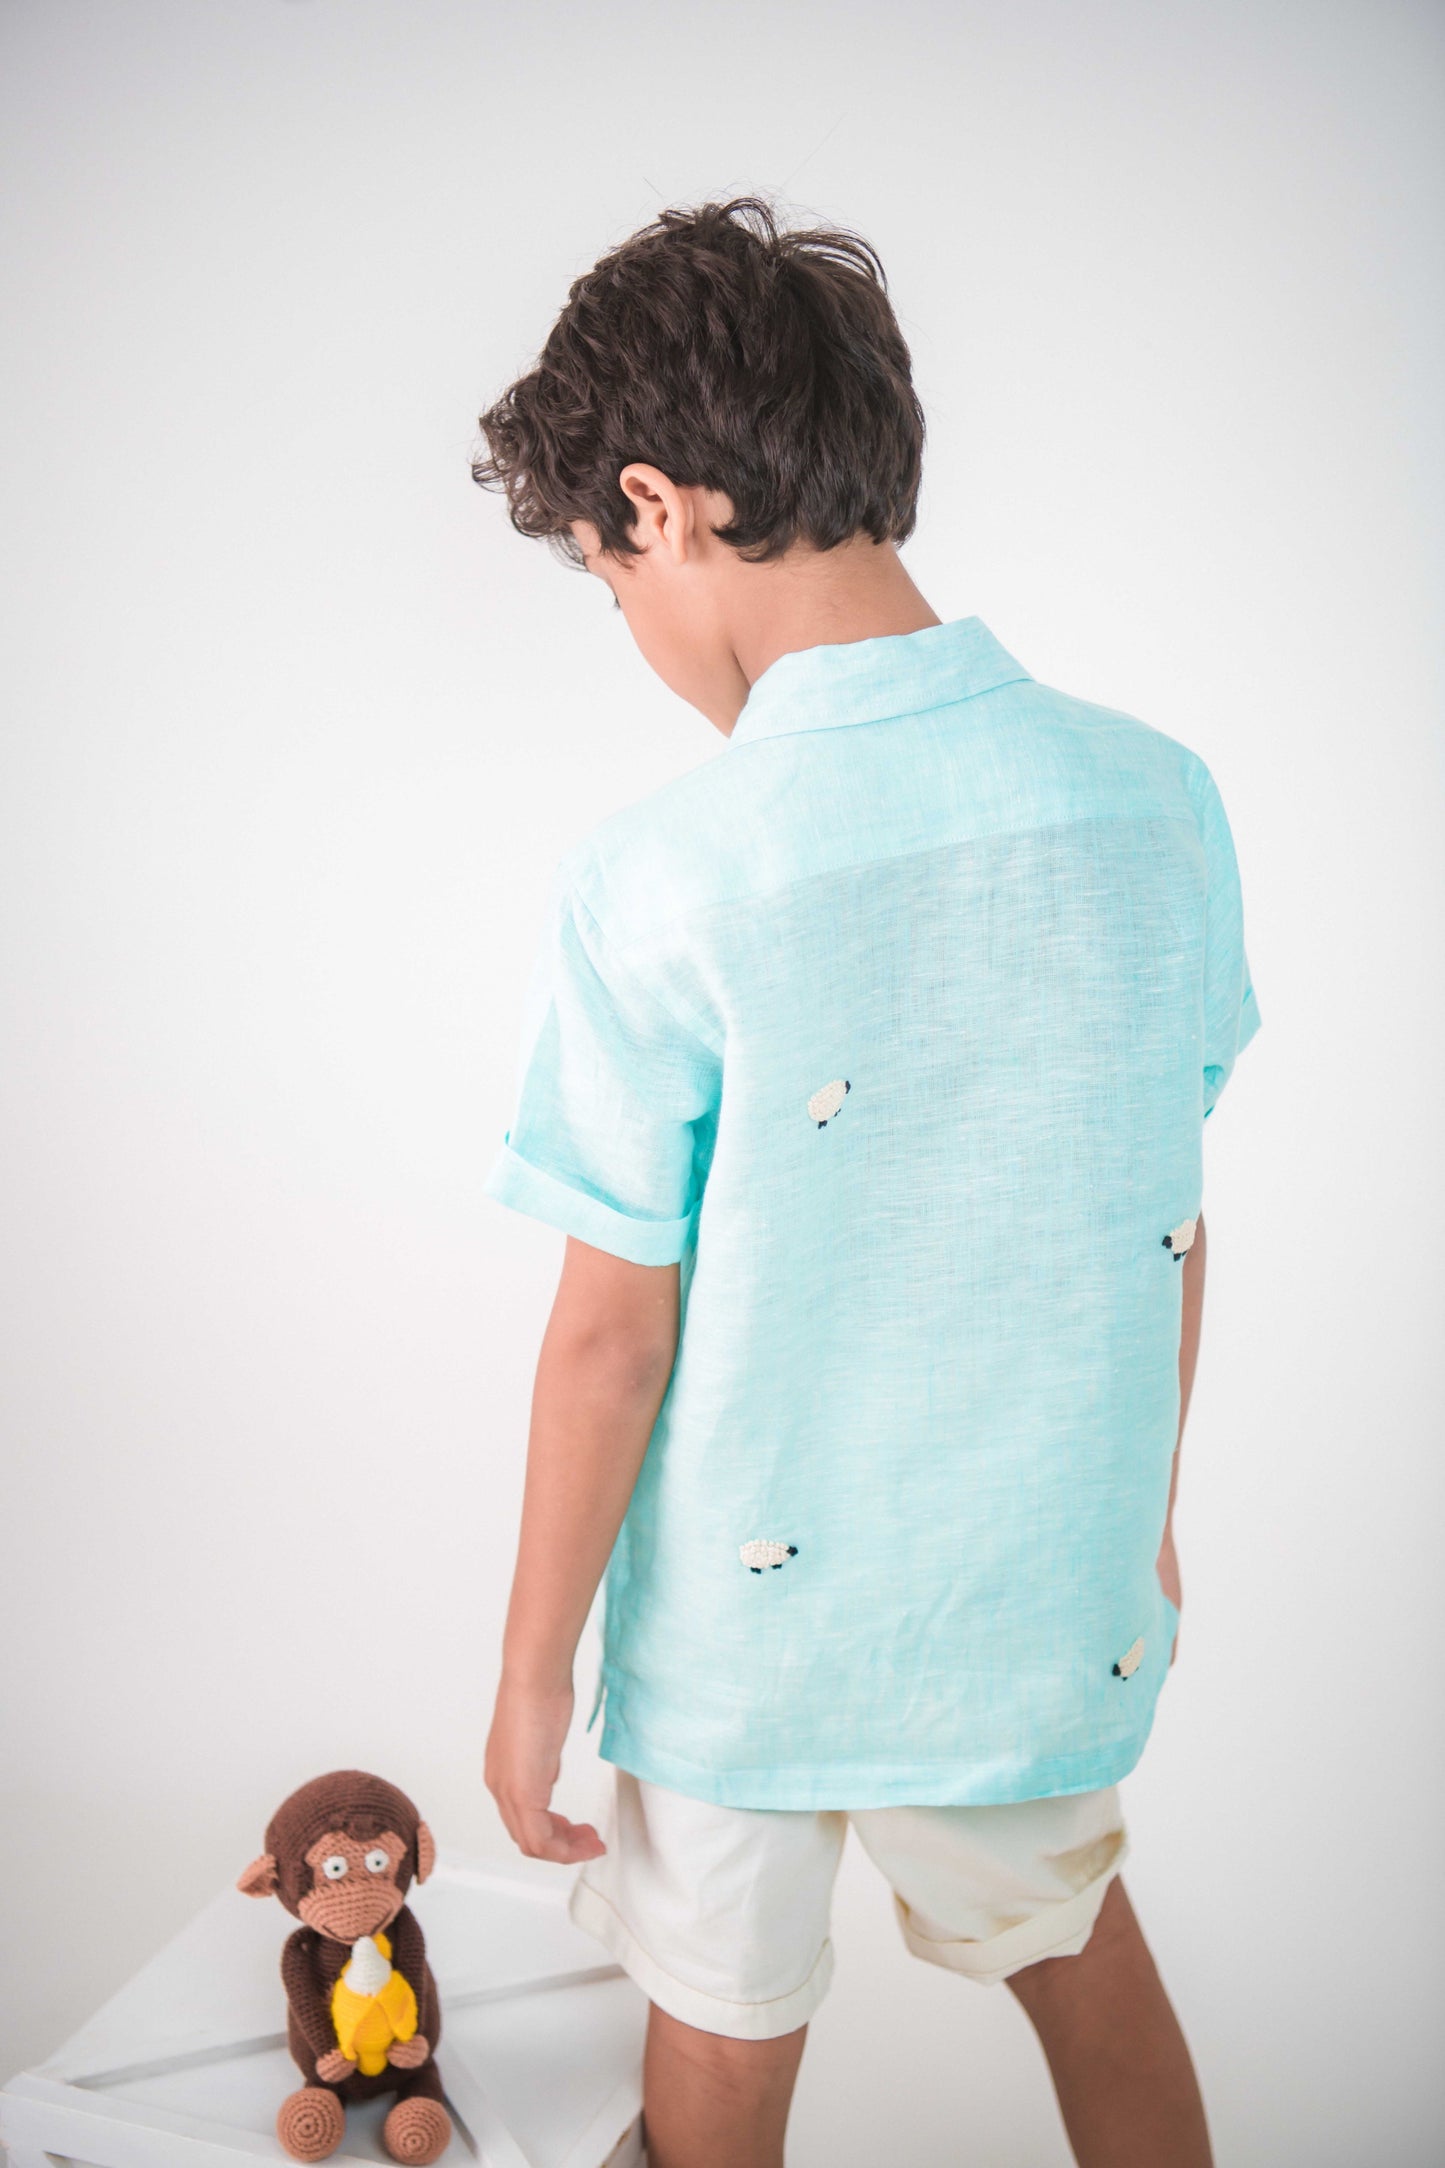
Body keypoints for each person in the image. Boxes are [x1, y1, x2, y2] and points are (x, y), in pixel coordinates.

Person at [471, 196, 1260, 2168]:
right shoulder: (1152, 797)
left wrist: (531, 1668)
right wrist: (1139, 1519)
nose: (635, 633)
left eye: (601, 572)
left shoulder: (667, 872)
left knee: (723, 2038)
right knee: (1085, 1959)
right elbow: (1162, 1208)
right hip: (1033, 1586)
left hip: (749, 1642)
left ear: (656, 507)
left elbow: (607, 1335)